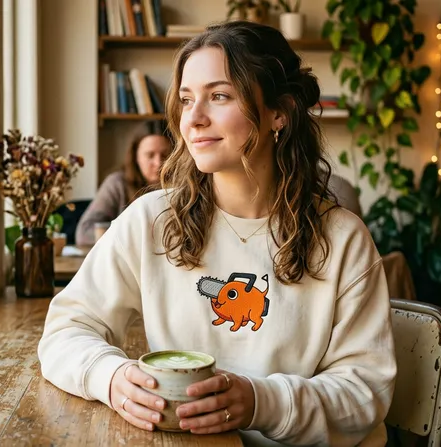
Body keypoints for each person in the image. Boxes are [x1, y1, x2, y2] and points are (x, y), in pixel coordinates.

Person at [39, 20, 395, 446]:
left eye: (219, 96)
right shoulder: (151, 220)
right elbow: (66, 330)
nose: (193, 118)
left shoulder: (343, 239)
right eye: (187, 100)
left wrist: (260, 403)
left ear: (278, 112)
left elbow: (365, 392)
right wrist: (110, 376)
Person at [74, 127, 171, 245]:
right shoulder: (117, 184)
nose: (158, 163)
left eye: (165, 155)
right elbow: (84, 233)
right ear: (136, 157)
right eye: (150, 155)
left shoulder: (182, 186)